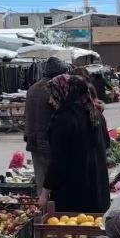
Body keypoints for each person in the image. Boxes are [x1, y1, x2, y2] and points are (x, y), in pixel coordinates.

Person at [40, 74, 111, 213]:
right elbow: (107, 144)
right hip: (98, 190)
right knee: (94, 230)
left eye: (53, 93)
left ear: (64, 93)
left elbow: (57, 161)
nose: (50, 99)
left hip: (73, 196)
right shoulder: (95, 114)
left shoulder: (63, 119)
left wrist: (44, 192)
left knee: (74, 233)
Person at [24, 56, 70, 191]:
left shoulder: (32, 89)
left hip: (33, 140)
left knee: (41, 180)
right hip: (49, 141)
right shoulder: (54, 89)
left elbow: (27, 115)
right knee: (54, 182)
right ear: (58, 74)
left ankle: (44, 209)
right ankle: (53, 210)